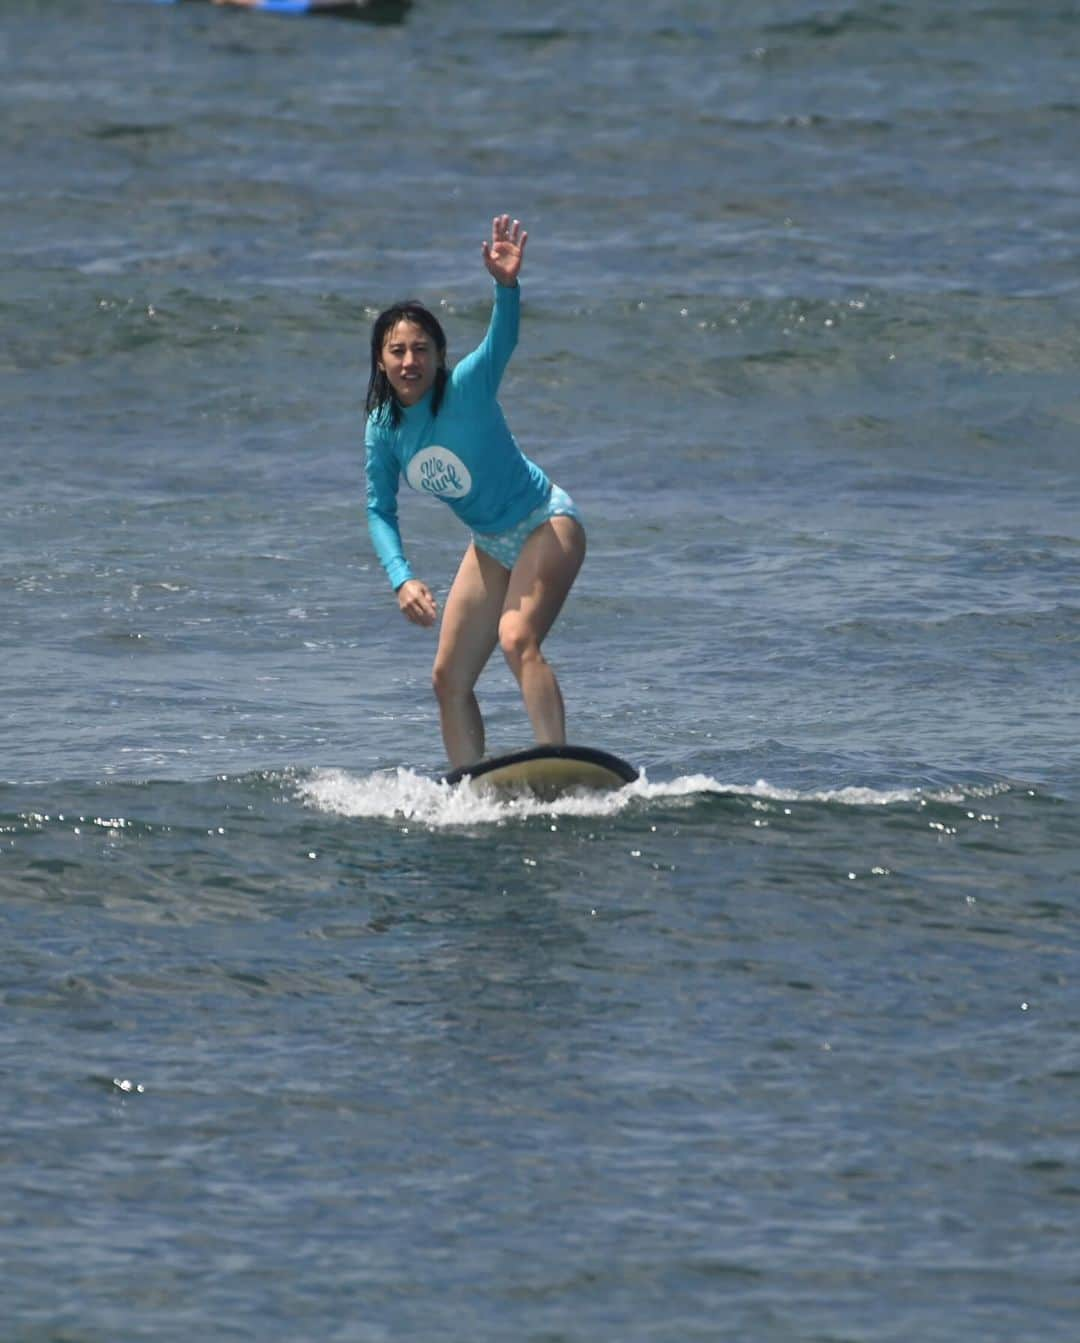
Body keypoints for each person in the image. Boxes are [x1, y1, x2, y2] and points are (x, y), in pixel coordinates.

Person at [364, 215, 586, 770]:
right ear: (381, 361)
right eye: (397, 350)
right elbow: (379, 509)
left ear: (439, 356)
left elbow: (503, 337)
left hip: (545, 521)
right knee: (448, 678)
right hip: (489, 541)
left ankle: (556, 765)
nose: (410, 360)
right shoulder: (383, 428)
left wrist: (505, 285)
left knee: (516, 637)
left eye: (421, 348)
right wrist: (402, 577)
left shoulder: (468, 386)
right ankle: (469, 785)